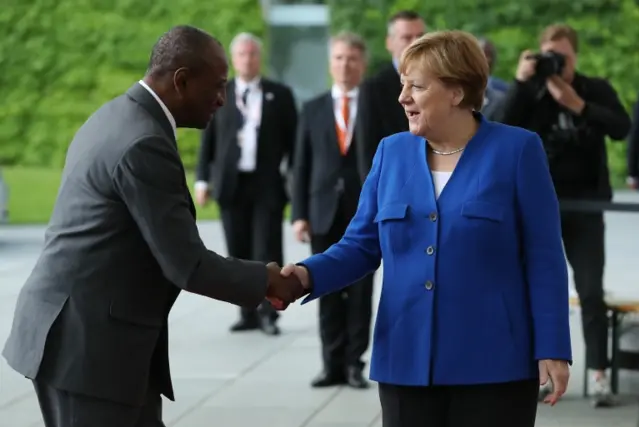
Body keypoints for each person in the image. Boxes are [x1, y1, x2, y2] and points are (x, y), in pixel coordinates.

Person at [2, 26, 304, 427]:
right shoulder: (142, 141)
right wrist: (267, 280)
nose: (222, 100)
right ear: (181, 81)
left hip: (96, 340)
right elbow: (187, 264)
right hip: (87, 350)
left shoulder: (119, 114)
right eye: (217, 87)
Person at [279, 30, 572, 427]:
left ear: (456, 92)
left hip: (495, 364)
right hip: (405, 360)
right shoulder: (391, 152)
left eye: (416, 86)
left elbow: (545, 258)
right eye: (403, 85)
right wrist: (304, 274)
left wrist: (552, 346)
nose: (402, 98)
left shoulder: (518, 151)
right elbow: (360, 246)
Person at [495, 23, 630, 407]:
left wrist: (579, 105)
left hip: (585, 205)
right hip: (538, 207)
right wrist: (522, 82)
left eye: (563, 57)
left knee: (590, 291)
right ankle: (535, 373)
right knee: (531, 290)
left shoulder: (594, 89)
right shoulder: (532, 92)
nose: (556, 64)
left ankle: (599, 374)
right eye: (549, 56)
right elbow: (498, 127)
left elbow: (623, 128)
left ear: (575, 56)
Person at [195, 32, 298, 336]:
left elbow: (295, 143)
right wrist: (203, 179)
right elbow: (208, 141)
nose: (248, 59)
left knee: (266, 248)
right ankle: (247, 312)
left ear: (259, 58)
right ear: (233, 59)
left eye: (253, 54)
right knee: (238, 251)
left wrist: (293, 177)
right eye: (242, 54)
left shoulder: (279, 94)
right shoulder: (220, 93)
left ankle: (270, 313)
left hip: (266, 183)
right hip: (231, 183)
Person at [291, 31, 372, 389]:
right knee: (323, 287)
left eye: (352, 58)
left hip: (363, 211)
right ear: (330, 63)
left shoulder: (376, 106)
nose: (345, 65)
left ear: (362, 63)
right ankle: (331, 363)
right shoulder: (313, 108)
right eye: (338, 58)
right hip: (322, 209)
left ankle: (355, 362)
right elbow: (300, 165)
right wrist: (299, 213)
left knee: (360, 292)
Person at [356, 10, 425, 178]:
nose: (415, 43)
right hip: (393, 182)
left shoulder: (439, 82)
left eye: (420, 37)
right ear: (389, 43)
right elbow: (366, 149)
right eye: (407, 38)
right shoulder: (373, 88)